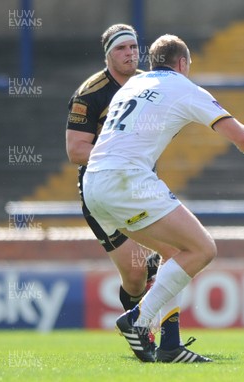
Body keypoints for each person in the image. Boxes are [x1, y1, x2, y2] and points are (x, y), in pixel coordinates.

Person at [82, 34, 244, 363]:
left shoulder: (131, 86)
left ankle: (169, 345)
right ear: (182, 64)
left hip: (93, 184)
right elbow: (237, 134)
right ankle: (138, 320)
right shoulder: (182, 86)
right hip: (126, 179)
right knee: (203, 248)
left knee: (174, 253)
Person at [65, 24, 193, 363]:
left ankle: (165, 341)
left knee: (170, 254)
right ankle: (144, 329)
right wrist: (118, 157)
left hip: (141, 186)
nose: (131, 53)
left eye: (135, 47)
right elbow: (76, 150)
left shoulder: (147, 83)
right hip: (103, 189)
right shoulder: (90, 93)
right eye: (122, 48)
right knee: (136, 277)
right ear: (108, 54)